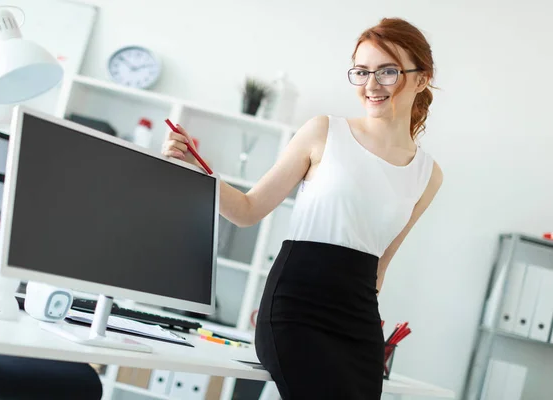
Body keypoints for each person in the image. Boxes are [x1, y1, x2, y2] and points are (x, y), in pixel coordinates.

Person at [162, 17, 443, 400]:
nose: (371, 85)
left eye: (388, 71)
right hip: (296, 310)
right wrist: (194, 172)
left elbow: (380, 266)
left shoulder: (428, 175)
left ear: (421, 78)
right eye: (362, 72)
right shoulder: (324, 131)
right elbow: (247, 210)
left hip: (358, 324)